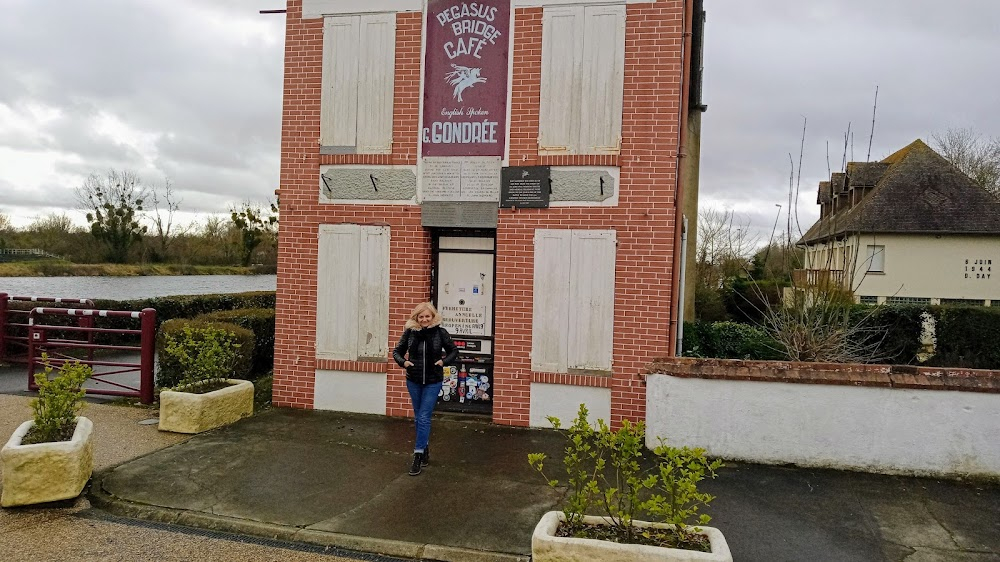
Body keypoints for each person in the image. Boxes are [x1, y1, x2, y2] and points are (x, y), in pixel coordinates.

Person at [393, 302, 458, 476]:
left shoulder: (440, 333)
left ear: (433, 317)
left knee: (423, 416)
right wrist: (404, 362)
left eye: (427, 316)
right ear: (416, 318)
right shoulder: (410, 333)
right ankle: (425, 447)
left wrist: (443, 362)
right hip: (413, 380)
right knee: (418, 417)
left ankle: (418, 455)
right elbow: (397, 351)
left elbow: (453, 351)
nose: (424, 319)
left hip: (433, 380)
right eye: (421, 317)